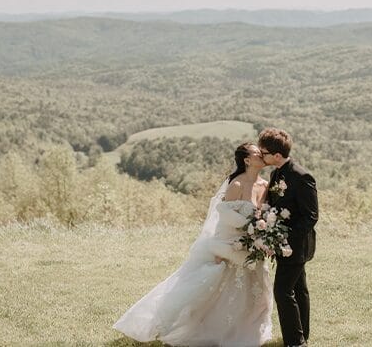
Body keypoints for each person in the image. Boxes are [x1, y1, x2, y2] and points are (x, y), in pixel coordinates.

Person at [113, 143, 273, 346]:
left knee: (257, 291)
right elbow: (224, 218)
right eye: (257, 153)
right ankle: (216, 330)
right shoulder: (237, 185)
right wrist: (223, 246)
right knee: (223, 292)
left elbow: (266, 215)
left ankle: (250, 328)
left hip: (254, 247)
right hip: (232, 245)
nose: (261, 155)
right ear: (247, 160)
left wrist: (262, 233)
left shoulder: (265, 185)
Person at [258, 128, 318, 347]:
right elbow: (274, 205)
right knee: (298, 288)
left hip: (296, 244)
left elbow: (311, 216)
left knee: (282, 291)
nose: (260, 156)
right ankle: (303, 334)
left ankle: (295, 342)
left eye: (263, 152)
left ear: (276, 155)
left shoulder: (302, 177)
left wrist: (283, 238)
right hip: (281, 241)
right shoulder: (275, 174)